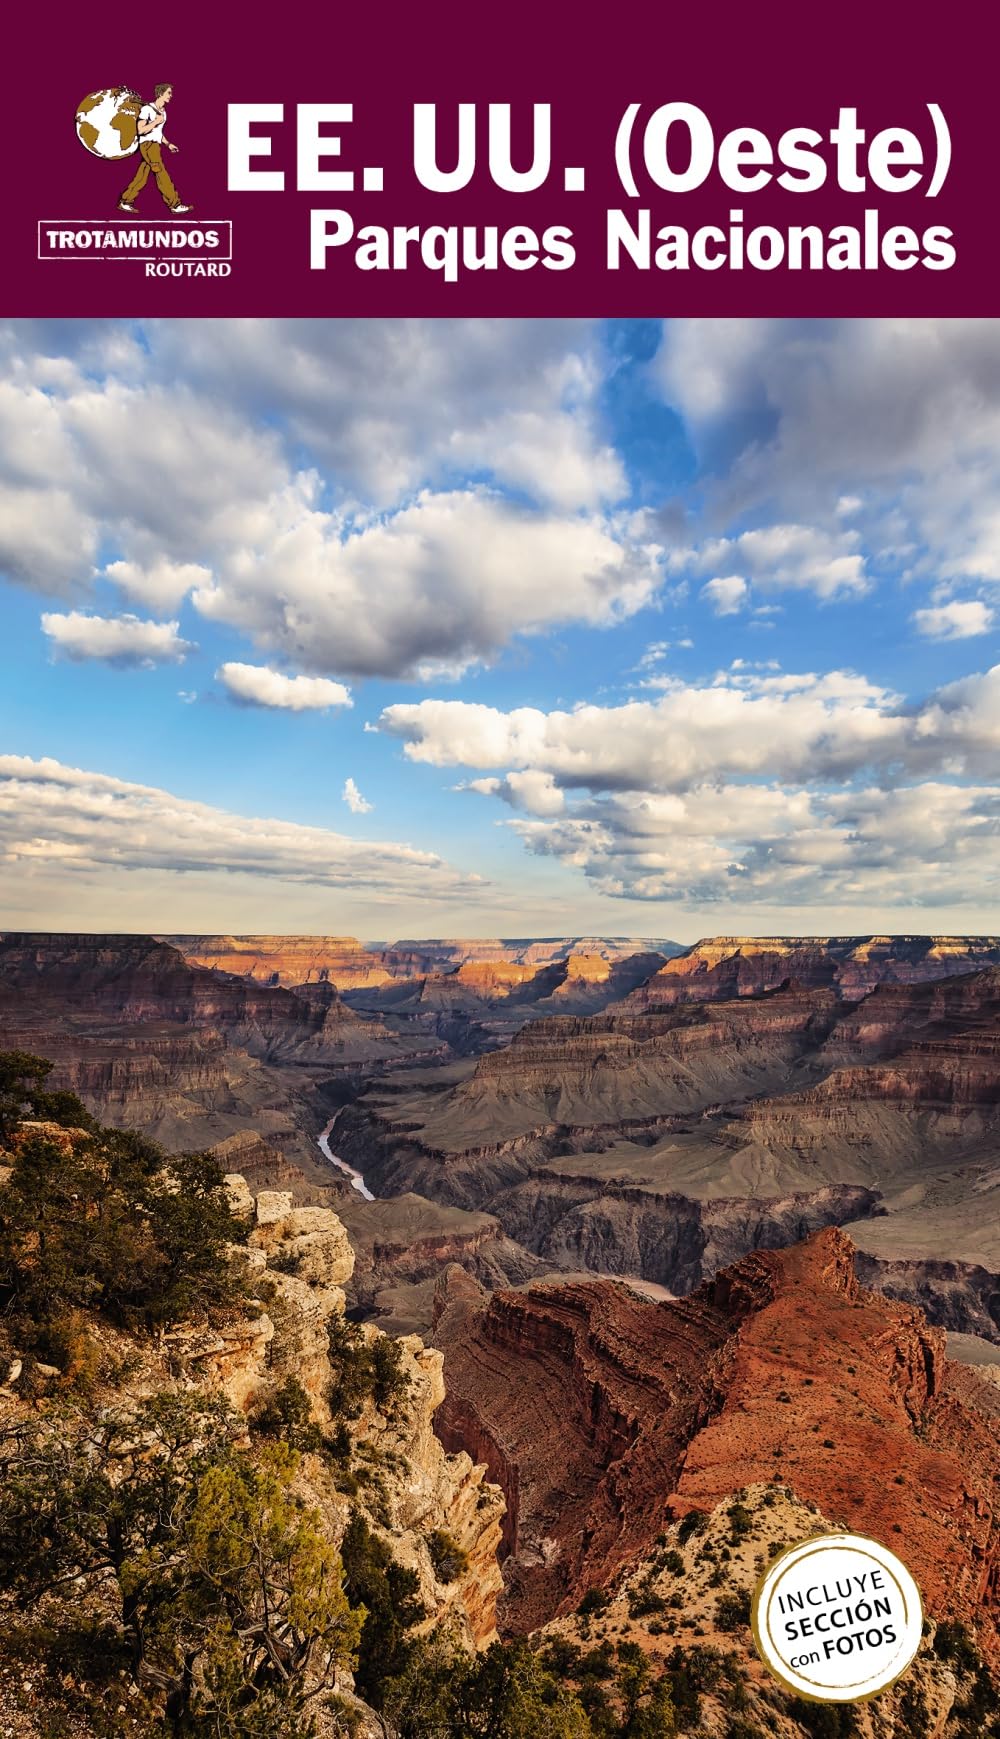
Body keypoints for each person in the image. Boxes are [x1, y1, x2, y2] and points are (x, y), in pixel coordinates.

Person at [119, 84, 193, 213]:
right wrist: (155, 122)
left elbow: (158, 133)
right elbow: (140, 130)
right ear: (160, 94)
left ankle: (125, 201)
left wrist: (168, 144)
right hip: (148, 145)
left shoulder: (163, 112)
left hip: (155, 145)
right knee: (161, 173)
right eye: (168, 93)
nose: (171, 96)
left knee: (142, 175)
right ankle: (175, 205)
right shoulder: (147, 109)